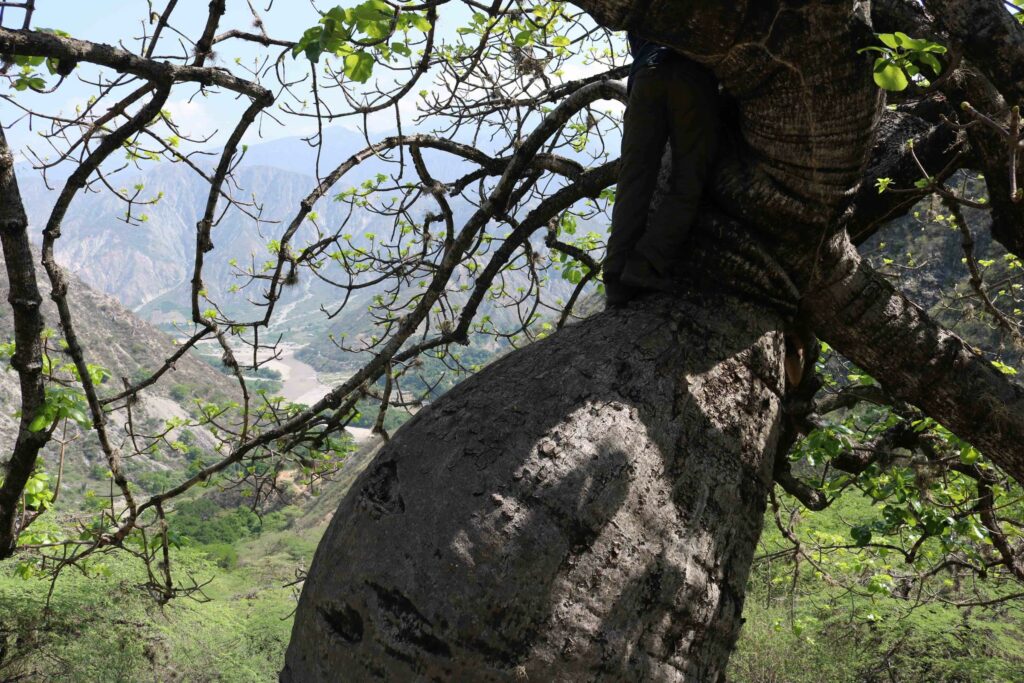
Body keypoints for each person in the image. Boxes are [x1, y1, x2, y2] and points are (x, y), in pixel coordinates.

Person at [604, 32, 721, 306]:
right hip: (692, 75)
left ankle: (615, 272)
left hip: (645, 74)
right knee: (689, 178)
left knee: (634, 176)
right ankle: (646, 263)